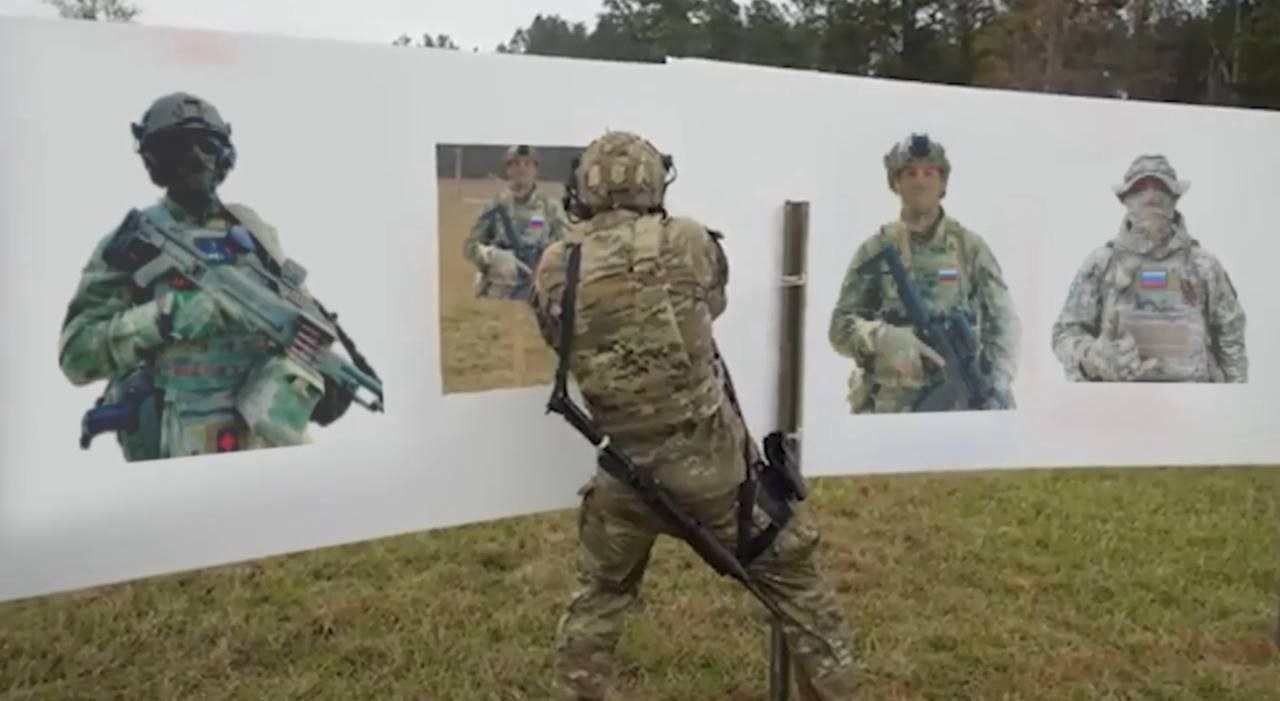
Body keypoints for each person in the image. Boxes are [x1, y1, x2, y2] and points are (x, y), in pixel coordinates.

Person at [530, 130, 858, 700]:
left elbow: (556, 335)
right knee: (800, 591)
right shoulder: (687, 241)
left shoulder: (559, 264)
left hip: (624, 475)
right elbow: (713, 302)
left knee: (599, 601)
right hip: (716, 477)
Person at [57, 92, 356, 461]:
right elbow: (76, 355)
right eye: (179, 147)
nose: (197, 158)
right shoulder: (135, 242)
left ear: (225, 155)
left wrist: (324, 371)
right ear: (155, 160)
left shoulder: (255, 233)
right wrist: (166, 316)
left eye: (208, 145)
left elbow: (296, 318)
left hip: (271, 434)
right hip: (185, 442)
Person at [828, 133, 1020, 413]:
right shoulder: (876, 249)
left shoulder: (969, 248)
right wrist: (881, 337)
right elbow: (840, 328)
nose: (920, 182)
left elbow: (1004, 324)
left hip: (963, 406)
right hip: (891, 409)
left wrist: (995, 387)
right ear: (896, 182)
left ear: (943, 183)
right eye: (910, 173)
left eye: (929, 173)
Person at [1051, 154, 1247, 382]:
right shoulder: (1101, 264)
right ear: (1125, 199)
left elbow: (1231, 338)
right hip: (1116, 400)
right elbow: (1065, 333)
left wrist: (1235, 397)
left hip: (1193, 399)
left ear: (1175, 197)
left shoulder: (1204, 266)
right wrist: (1093, 358)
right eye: (1140, 188)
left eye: (1160, 188)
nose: (1151, 196)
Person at [463, 144, 570, 300]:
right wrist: (491, 256)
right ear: (508, 170)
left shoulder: (550, 208)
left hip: (539, 284)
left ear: (535, 169)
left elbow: (565, 247)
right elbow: (470, 246)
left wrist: (547, 263)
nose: (522, 169)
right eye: (516, 164)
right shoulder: (494, 206)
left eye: (527, 164)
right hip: (501, 287)